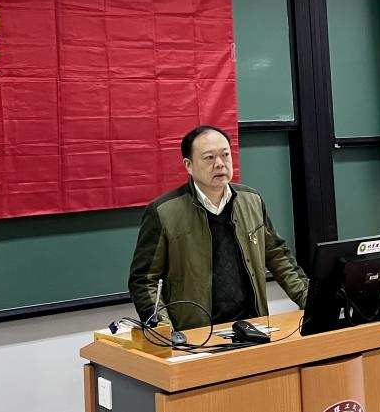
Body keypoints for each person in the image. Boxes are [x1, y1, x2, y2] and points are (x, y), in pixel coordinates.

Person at [128, 125, 308, 330]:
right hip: (196, 334)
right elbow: (144, 280)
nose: (220, 164)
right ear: (189, 165)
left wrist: (312, 301)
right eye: (209, 158)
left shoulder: (251, 200)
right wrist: (164, 331)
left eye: (225, 155)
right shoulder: (163, 212)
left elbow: (278, 256)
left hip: (253, 327)